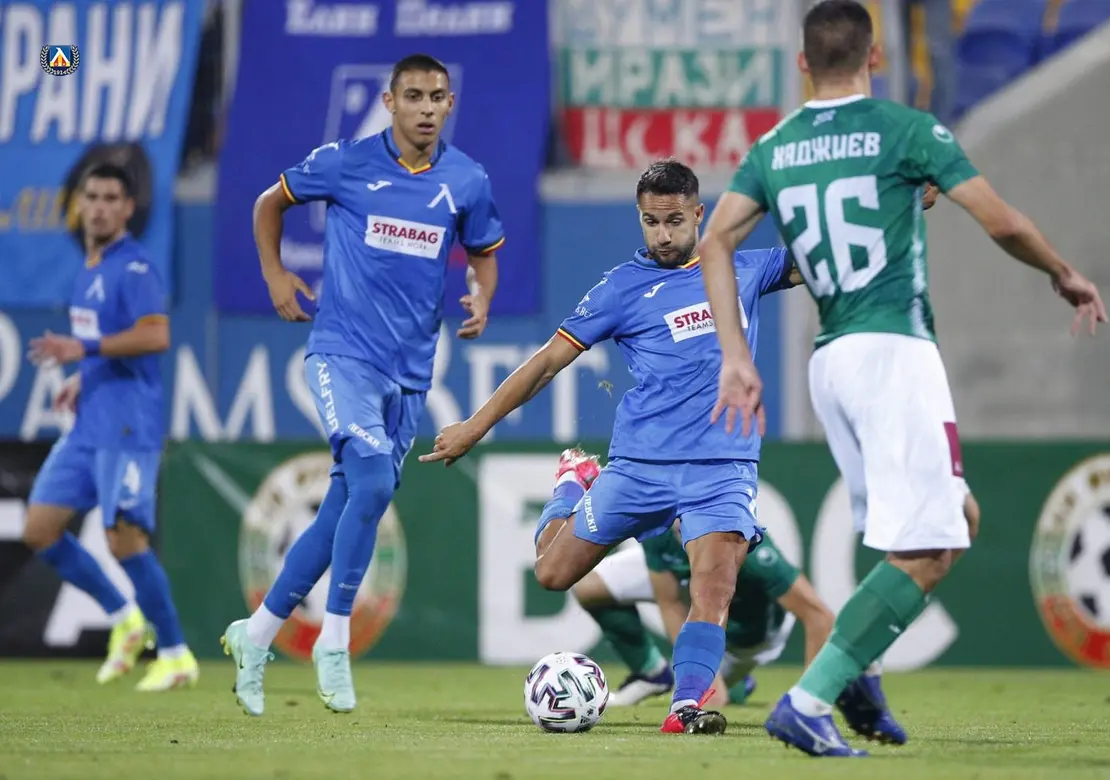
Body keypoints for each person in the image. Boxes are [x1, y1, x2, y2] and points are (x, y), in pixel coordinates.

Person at [697, 0, 1106, 757]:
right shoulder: (906, 130)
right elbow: (1003, 221)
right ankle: (811, 699)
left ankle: (859, 678)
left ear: (803, 64)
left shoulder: (774, 148)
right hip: (892, 352)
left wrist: (736, 355)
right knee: (929, 547)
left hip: (831, 362)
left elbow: (714, 240)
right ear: (876, 57)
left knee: (954, 518)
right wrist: (1062, 271)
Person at [422, 159, 800, 735]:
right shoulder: (621, 288)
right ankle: (571, 486)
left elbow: (826, 258)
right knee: (553, 573)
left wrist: (894, 203)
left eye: (675, 221)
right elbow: (547, 362)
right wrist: (476, 426)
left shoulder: (743, 268)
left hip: (722, 466)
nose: (663, 234)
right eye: (651, 222)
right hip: (641, 465)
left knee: (714, 586)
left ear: (700, 215)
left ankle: (685, 707)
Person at [221, 54, 503, 717]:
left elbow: (485, 253)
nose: (427, 108)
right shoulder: (345, 163)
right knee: (372, 483)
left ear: (451, 102)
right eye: (414, 96)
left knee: (346, 506)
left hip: (409, 374)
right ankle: (335, 640)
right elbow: (269, 203)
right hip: (342, 354)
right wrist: (275, 274)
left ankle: (254, 635)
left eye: (437, 96)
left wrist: (482, 295)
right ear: (389, 101)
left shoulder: (466, 179)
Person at [565, 452, 909, 744]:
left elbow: (817, 614)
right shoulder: (660, 528)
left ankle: (738, 681)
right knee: (589, 586)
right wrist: (688, 681)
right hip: (693, 594)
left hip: (748, 637)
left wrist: (809, 695)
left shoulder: (746, 547)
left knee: (721, 694)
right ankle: (651, 672)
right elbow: (669, 602)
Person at [24, 163, 197, 691]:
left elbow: (155, 336)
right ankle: (125, 617)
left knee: (125, 540)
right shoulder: (89, 269)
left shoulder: (135, 268)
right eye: (91, 197)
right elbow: (108, 344)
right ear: (79, 204)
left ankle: (175, 654)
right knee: (40, 529)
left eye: (110, 198)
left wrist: (84, 349)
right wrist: (84, 376)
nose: (99, 207)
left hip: (126, 425)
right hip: (88, 424)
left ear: (127, 208)